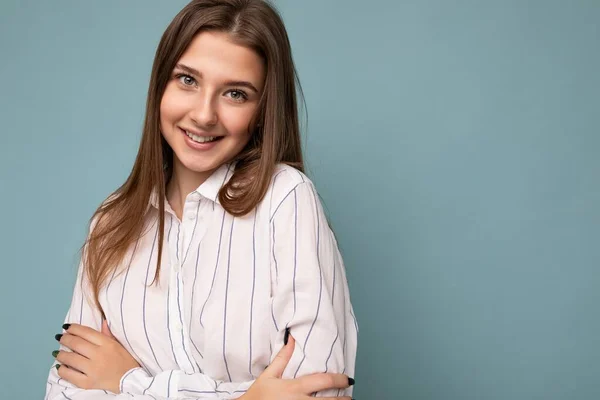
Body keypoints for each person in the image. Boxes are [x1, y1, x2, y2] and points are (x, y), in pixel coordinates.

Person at [44, 1, 358, 399]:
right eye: (188, 80)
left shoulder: (286, 200)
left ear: (262, 112)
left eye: (235, 93)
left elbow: (319, 393)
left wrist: (129, 383)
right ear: (161, 85)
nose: (204, 114)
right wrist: (247, 397)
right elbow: (65, 391)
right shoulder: (111, 222)